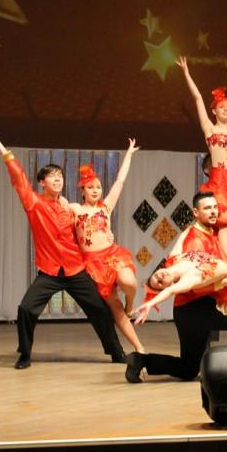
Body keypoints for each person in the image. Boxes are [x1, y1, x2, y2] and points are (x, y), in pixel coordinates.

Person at [0, 132, 125, 369]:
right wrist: (1, 147)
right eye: (52, 177)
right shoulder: (34, 203)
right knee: (26, 309)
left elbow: (89, 228)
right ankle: (25, 354)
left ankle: (116, 352)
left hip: (75, 270)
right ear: (42, 182)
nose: (58, 180)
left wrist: (107, 236)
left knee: (100, 309)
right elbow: (19, 177)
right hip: (50, 271)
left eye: (60, 176)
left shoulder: (69, 208)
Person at [122, 192, 227, 383]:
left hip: (186, 311)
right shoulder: (196, 242)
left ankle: (140, 361)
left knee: (188, 368)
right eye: (207, 208)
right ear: (195, 212)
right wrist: (224, 281)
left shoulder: (197, 231)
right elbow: (192, 286)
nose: (213, 212)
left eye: (214, 207)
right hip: (196, 308)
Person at [177, 56, 227, 266]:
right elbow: (197, 99)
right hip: (220, 180)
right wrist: (186, 73)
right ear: (214, 111)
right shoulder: (210, 130)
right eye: (221, 107)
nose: (226, 109)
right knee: (223, 223)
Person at [63, 139, 143, 353]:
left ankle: (130, 304)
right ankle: (139, 348)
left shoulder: (105, 207)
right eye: (90, 187)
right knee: (115, 308)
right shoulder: (75, 209)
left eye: (98, 187)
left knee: (129, 282)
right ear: (82, 190)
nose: (96, 190)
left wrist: (128, 155)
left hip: (112, 254)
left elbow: (120, 181)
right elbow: (57, 204)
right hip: (93, 263)